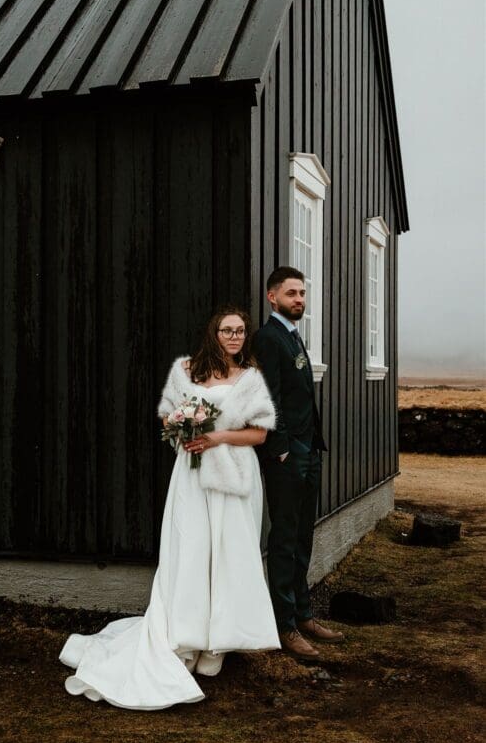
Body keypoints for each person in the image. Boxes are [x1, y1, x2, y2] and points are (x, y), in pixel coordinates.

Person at [60, 306, 280, 710]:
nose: (235, 337)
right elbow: (168, 420)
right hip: (193, 474)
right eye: (227, 330)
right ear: (213, 333)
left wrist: (215, 436)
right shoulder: (186, 370)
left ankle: (219, 643)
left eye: (241, 332)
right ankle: (186, 635)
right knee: (192, 548)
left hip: (234, 473)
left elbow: (260, 434)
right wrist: (185, 428)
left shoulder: (250, 377)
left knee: (230, 552)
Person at [251, 267, 344, 660]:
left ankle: (304, 615)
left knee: (304, 534)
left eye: (303, 293)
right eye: (292, 293)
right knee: (285, 538)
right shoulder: (268, 339)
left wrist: (311, 445)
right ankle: (285, 625)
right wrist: (284, 447)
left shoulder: (292, 335)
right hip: (287, 455)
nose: (299, 299)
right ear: (273, 297)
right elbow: (268, 397)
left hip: (309, 451)